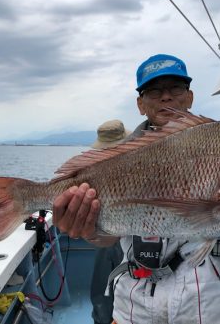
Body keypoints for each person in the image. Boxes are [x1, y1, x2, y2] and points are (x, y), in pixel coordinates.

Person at [53, 54, 220, 324]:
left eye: (175, 88)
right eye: (154, 90)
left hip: (209, 300)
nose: (166, 97)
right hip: (135, 302)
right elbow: (106, 239)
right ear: (140, 104)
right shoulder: (117, 159)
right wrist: (86, 228)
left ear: (189, 97)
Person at [90, 120, 130, 324]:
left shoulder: (95, 167)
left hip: (121, 235)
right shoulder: (136, 161)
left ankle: (104, 317)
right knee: (106, 283)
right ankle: (105, 317)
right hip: (117, 235)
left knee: (104, 284)